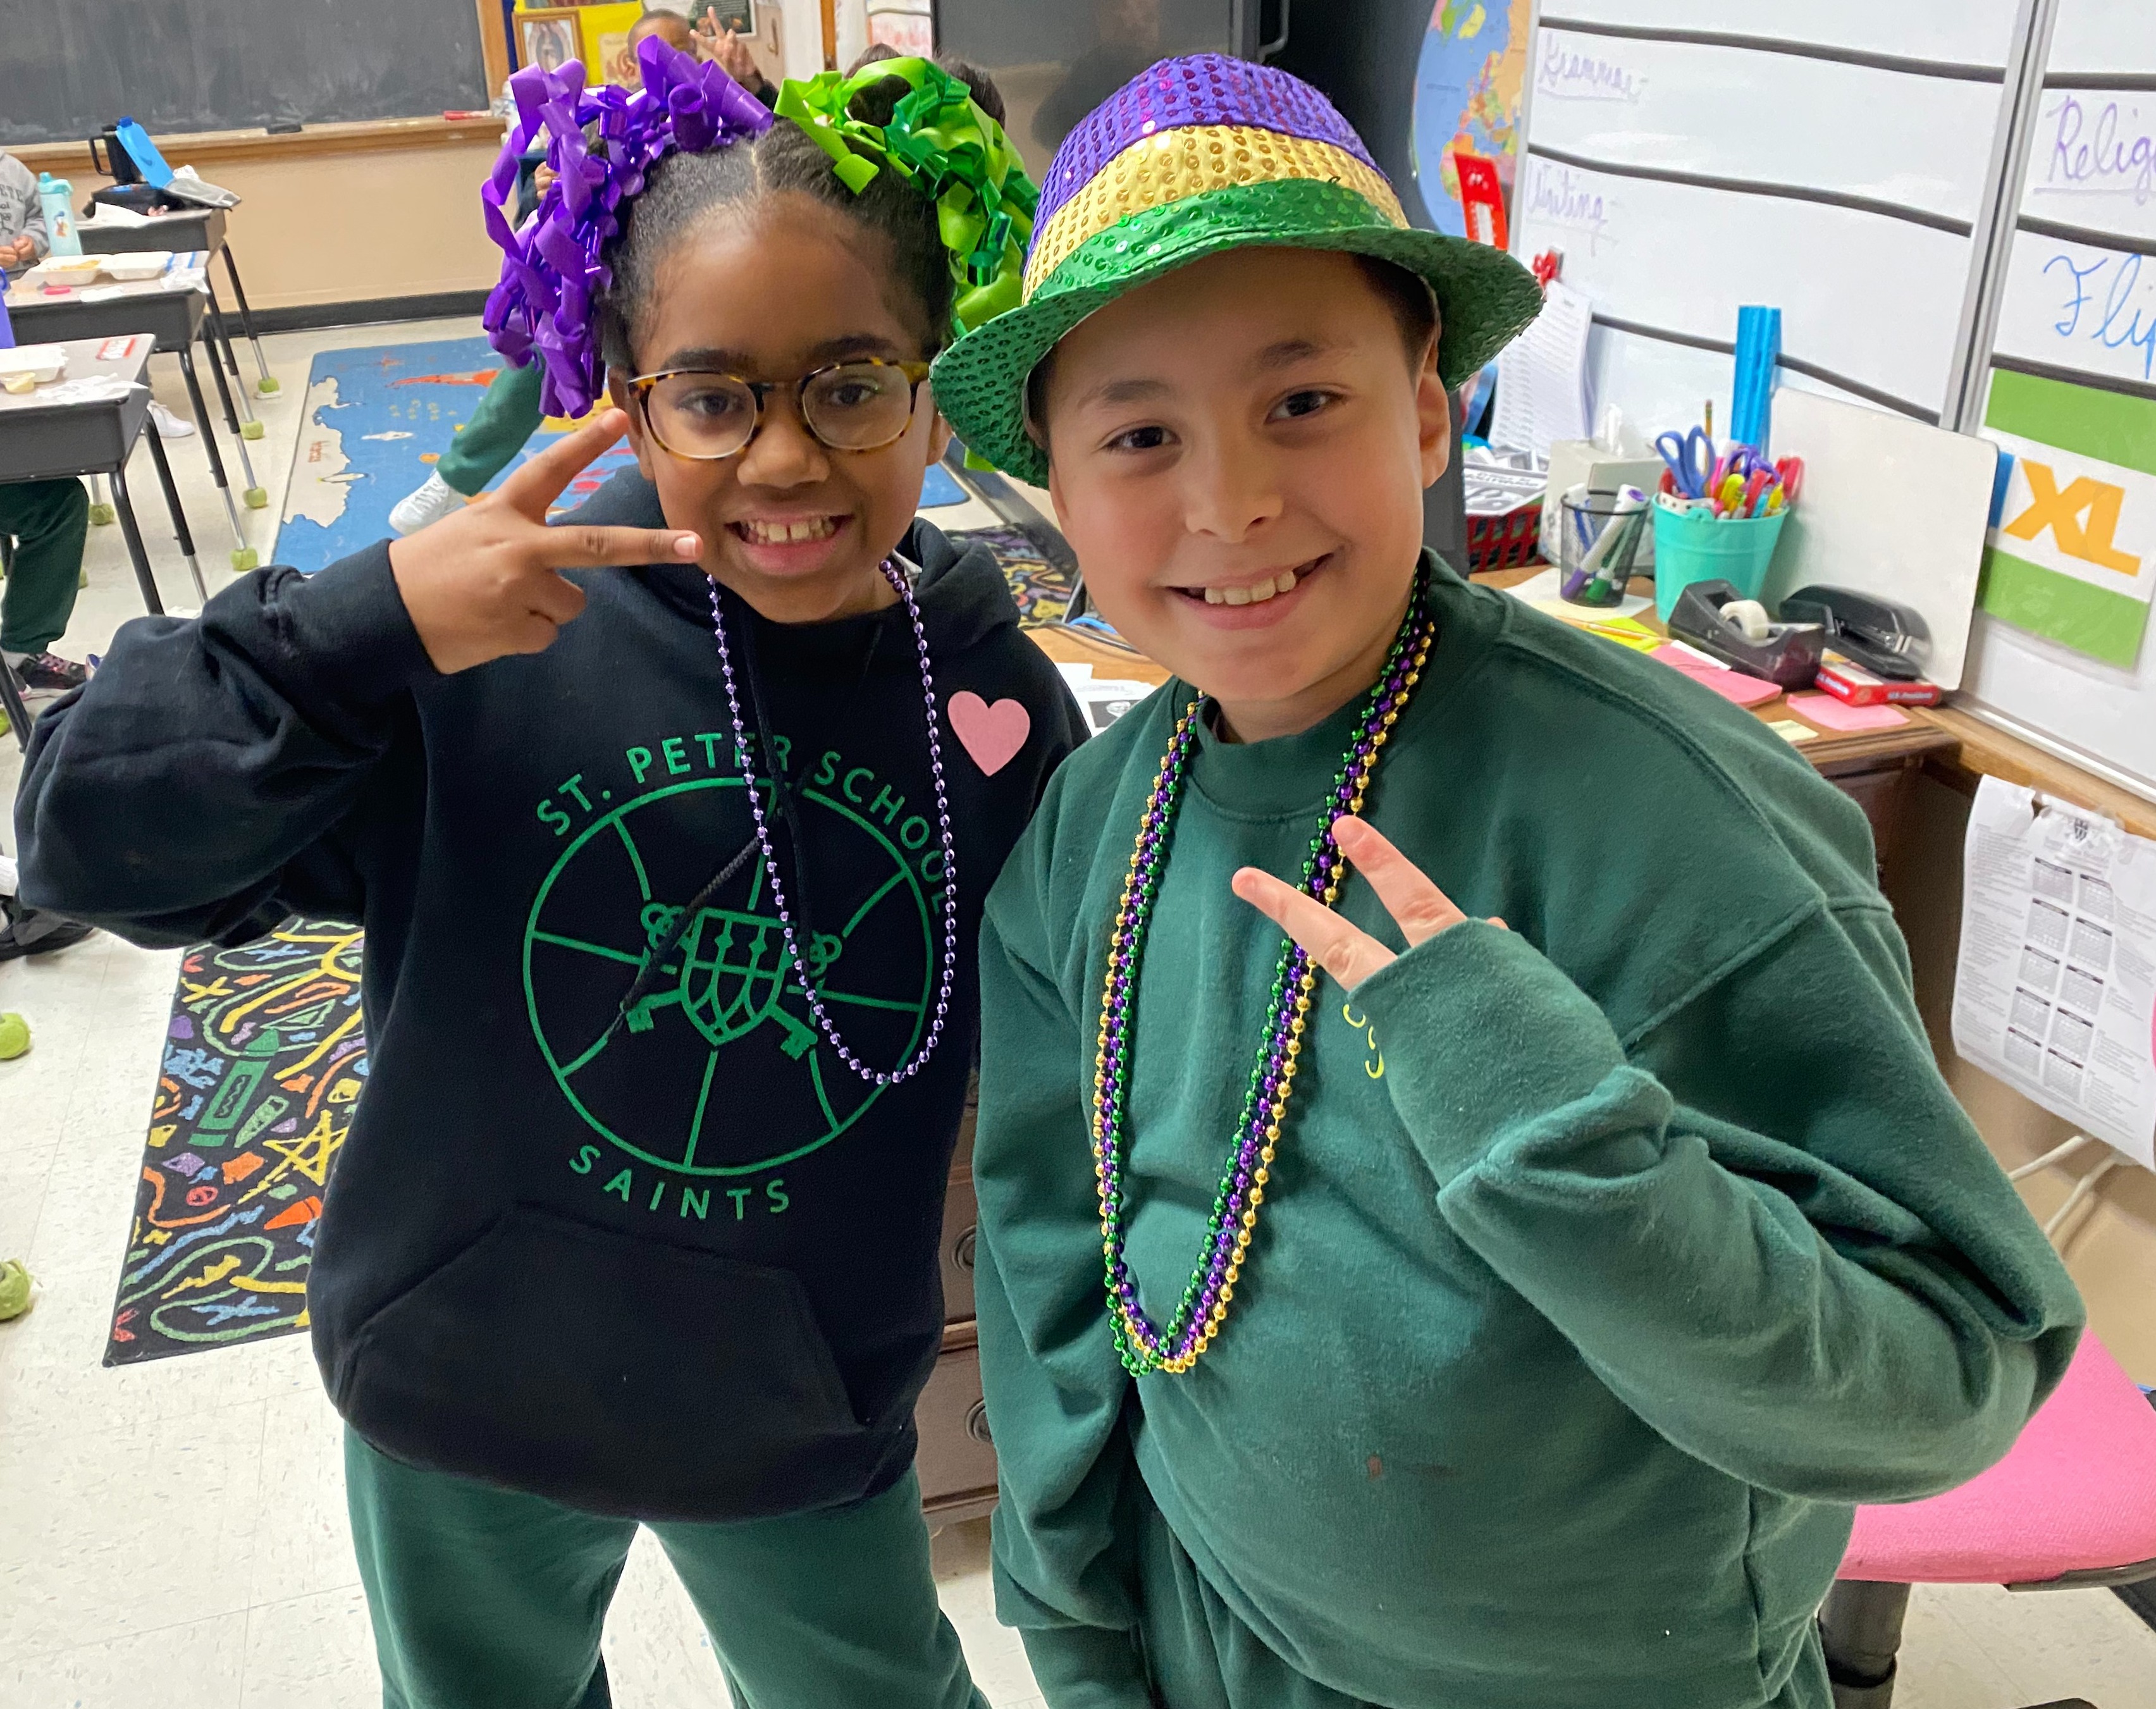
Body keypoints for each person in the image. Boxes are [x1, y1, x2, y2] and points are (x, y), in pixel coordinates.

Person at [932, 54, 2086, 1709]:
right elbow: (1060, 1274)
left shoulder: (1679, 819)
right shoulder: (1093, 827)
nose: (1230, 499)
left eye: (1303, 401)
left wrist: (1556, 1133)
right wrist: (1085, 1634)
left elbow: (1944, 1383)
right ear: (1055, 481)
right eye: (1137, 432)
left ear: (1426, 407)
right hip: (1220, 1649)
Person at [18, 39, 1078, 1709]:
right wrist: (362, 622)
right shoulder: (476, 642)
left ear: (936, 379)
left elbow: (1085, 1099)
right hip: (462, 1379)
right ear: (619, 385)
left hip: (795, 1409)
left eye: (854, 382)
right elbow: (87, 839)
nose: (788, 457)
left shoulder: (998, 706)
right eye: (716, 393)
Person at [391, 6, 746, 536]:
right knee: (539, 360)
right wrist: (548, 197)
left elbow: (772, 154)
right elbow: (535, 223)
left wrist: (747, 82)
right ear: (629, 64)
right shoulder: (602, 120)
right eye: (655, 58)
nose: (669, 68)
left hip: (699, 295)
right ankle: (452, 479)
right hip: (610, 281)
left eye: (682, 55)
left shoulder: (723, 115)